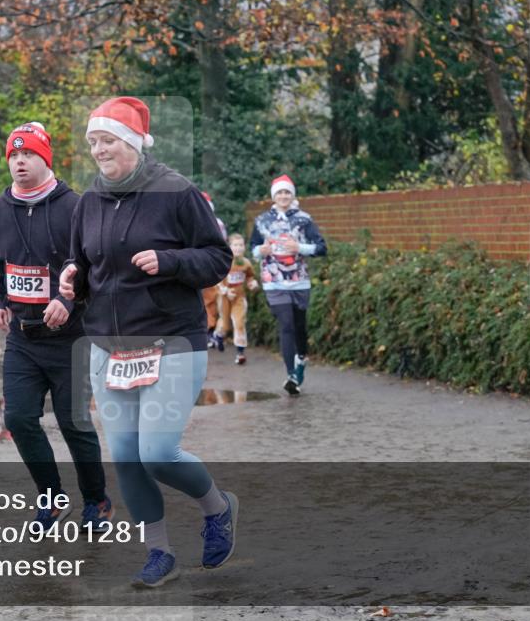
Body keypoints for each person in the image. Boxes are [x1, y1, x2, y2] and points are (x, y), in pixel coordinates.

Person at [58, 96, 236, 588]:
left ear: (133, 142)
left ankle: (217, 508)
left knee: (157, 452)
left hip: (171, 341)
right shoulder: (89, 201)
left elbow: (218, 258)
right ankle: (160, 553)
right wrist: (72, 282)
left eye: (107, 139)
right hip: (109, 348)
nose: (98, 149)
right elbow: (83, 265)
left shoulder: (176, 191)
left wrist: (172, 261)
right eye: (92, 141)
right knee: (127, 456)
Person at [0, 122, 112, 531]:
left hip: (70, 339)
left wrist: (68, 298)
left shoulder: (75, 206)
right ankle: (52, 499)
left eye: (29, 155)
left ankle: (96, 501)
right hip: (22, 338)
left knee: (74, 423)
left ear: (45, 159)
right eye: (14, 156)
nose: (20, 162)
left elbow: (97, 266)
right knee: (19, 419)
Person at [249, 174, 328, 395]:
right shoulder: (262, 220)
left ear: (292, 195)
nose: (283, 196)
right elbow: (253, 246)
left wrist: (299, 248)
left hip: (299, 281)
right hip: (273, 281)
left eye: (287, 192)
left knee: (299, 327)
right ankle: (291, 374)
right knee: (286, 325)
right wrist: (259, 251)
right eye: (279, 193)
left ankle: (301, 358)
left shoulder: (304, 219)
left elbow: (321, 247)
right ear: (273, 196)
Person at [210, 233, 259, 364]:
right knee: (225, 325)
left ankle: (240, 353)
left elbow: (250, 276)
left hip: (239, 297)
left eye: (241, 245)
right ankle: (218, 335)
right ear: (229, 246)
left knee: (239, 322)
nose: (238, 248)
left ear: (244, 247)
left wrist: (252, 284)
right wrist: (225, 291)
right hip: (224, 297)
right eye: (235, 245)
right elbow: (216, 280)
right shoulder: (224, 261)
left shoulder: (246, 263)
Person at [200, 191, 228, 348]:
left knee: (213, 300)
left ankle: (212, 330)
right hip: (195, 266)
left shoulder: (218, 224)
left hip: (212, 267)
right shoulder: (186, 221)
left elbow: (223, 246)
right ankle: (205, 331)